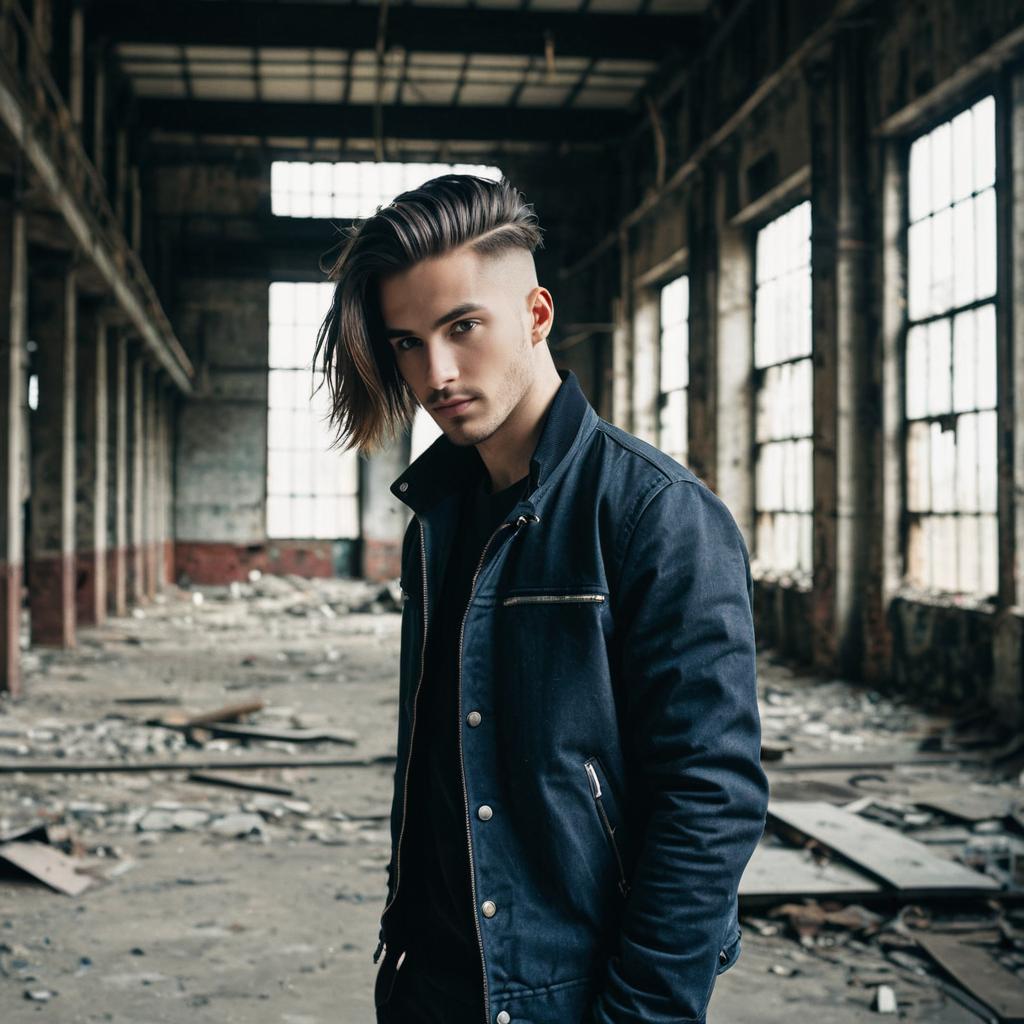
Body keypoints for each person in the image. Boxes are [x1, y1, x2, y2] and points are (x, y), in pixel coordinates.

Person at [314, 173, 769, 1024]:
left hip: (572, 985)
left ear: (536, 315)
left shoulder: (654, 514)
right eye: (408, 343)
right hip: (433, 973)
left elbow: (710, 797)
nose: (436, 373)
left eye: (462, 328)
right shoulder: (437, 522)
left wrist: (643, 1012)